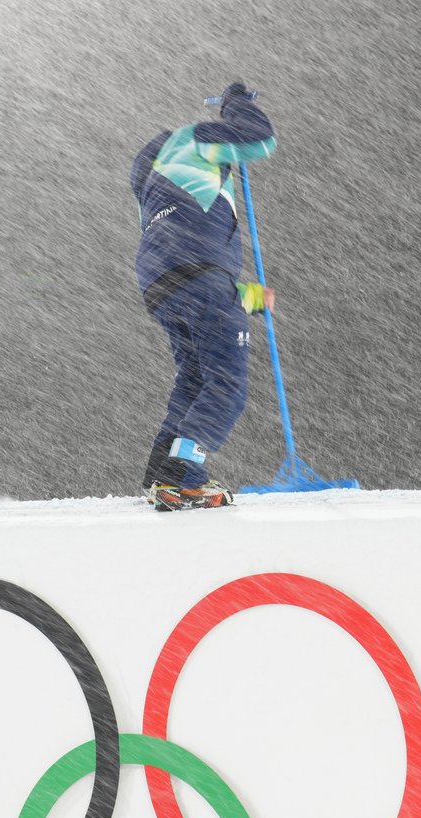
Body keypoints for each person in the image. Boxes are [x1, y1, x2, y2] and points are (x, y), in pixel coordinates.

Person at [130, 81, 277, 511]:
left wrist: (247, 297)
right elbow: (259, 138)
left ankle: (163, 471)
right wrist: (237, 105)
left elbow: (188, 257)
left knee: (195, 379)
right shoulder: (190, 141)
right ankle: (182, 477)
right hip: (201, 281)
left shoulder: (153, 184)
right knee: (227, 385)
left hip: (164, 287)